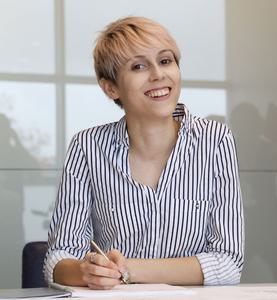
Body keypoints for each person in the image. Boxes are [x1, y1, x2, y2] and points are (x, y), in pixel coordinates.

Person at [44, 16, 244, 289]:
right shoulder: (87, 146)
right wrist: (85, 272)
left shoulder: (216, 140)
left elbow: (228, 264)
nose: (158, 75)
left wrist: (128, 268)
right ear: (110, 87)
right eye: (138, 66)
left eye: (165, 61)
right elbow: (59, 257)